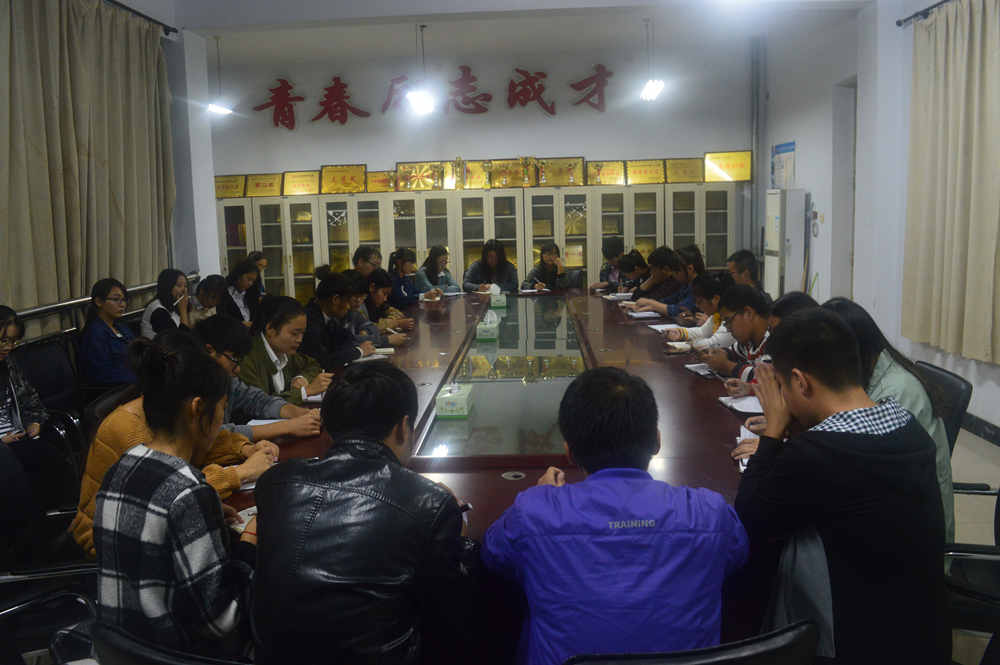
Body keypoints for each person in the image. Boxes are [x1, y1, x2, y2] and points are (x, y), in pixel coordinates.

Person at [482, 367, 748, 665]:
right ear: (657, 441)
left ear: (569, 452)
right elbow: (737, 556)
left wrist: (544, 499)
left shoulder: (534, 513)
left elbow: (493, 556)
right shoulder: (709, 513)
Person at [734, 309, 949, 663]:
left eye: (782, 388)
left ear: (800, 383)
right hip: (925, 637)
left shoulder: (815, 454)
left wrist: (773, 430)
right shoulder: (910, 428)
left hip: (855, 647)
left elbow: (748, 521)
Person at [252, 361, 481, 665]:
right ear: (403, 427)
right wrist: (461, 536)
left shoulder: (276, 483)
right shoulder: (430, 503)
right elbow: (450, 613)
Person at [94, 335, 257, 656]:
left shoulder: (122, 466)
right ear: (198, 408)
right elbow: (221, 621)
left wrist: (205, 514)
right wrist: (250, 542)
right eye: (221, 408)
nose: (222, 421)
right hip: (174, 655)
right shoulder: (188, 490)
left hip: (123, 651)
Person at [71, 329, 284, 558]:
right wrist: (237, 476)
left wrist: (244, 448)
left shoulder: (162, 413)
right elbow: (170, 494)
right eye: (222, 407)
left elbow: (191, 467)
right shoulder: (131, 429)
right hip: (110, 548)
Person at [823, 297, 955, 542]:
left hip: (919, 536)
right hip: (893, 512)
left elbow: (867, 473)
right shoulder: (871, 374)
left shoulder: (897, 392)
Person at [0, 307, 76, 531]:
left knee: (51, 457)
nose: (8, 347)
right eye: (3, 340)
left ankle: (54, 525)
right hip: (3, 446)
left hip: (18, 435)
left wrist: (35, 421)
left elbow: (31, 400)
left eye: (12, 341)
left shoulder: (8, 364)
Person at [194, 315, 322, 442]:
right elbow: (212, 433)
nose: (238, 370)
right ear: (210, 351)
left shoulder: (228, 381)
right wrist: (287, 427)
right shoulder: (190, 387)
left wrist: (296, 412)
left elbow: (257, 400)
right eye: (234, 360)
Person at [239, 296, 330, 405]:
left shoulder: (285, 351)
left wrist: (302, 378)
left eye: (302, 334)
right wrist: (304, 392)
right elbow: (260, 404)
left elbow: (313, 365)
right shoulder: (247, 359)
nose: (300, 340)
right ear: (270, 329)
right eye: (294, 334)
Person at [300, 274, 377, 370]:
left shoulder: (329, 318)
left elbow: (347, 340)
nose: (349, 307)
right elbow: (323, 362)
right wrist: (359, 351)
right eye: (347, 301)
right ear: (335, 299)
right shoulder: (309, 322)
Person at [701, 284, 772, 381]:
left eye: (728, 321)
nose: (728, 329)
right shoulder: (750, 341)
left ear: (748, 313)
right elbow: (732, 352)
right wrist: (718, 354)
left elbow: (765, 378)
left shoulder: (774, 340)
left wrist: (727, 366)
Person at [78, 278, 137, 385]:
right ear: (99, 302)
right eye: (116, 299)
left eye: (124, 300)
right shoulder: (94, 333)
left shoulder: (121, 327)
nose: (122, 305)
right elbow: (101, 374)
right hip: (117, 388)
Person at [627, 245, 705, 316]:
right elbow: (669, 300)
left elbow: (682, 310)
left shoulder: (701, 286)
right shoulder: (686, 285)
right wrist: (649, 305)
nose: (674, 275)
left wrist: (652, 304)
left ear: (690, 269)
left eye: (676, 271)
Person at [664, 272, 736, 350]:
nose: (697, 306)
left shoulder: (731, 318)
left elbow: (712, 344)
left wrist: (685, 345)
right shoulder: (717, 314)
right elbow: (703, 332)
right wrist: (680, 333)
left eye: (700, 301)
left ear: (715, 299)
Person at [363, 268, 415, 337]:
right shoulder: (360, 304)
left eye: (387, 295)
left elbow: (398, 314)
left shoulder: (380, 303)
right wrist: (396, 323)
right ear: (372, 287)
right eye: (384, 293)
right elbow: (367, 329)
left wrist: (387, 323)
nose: (385, 299)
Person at [140, 269, 190, 338]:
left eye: (185, 286)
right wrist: (183, 310)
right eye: (179, 285)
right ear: (167, 287)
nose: (184, 290)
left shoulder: (173, 305)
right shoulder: (157, 311)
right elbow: (179, 340)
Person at [219, 259, 260, 327]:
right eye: (248, 279)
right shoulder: (225, 293)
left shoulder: (251, 294)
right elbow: (222, 319)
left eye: (253, 281)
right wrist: (240, 324)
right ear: (239, 275)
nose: (250, 283)